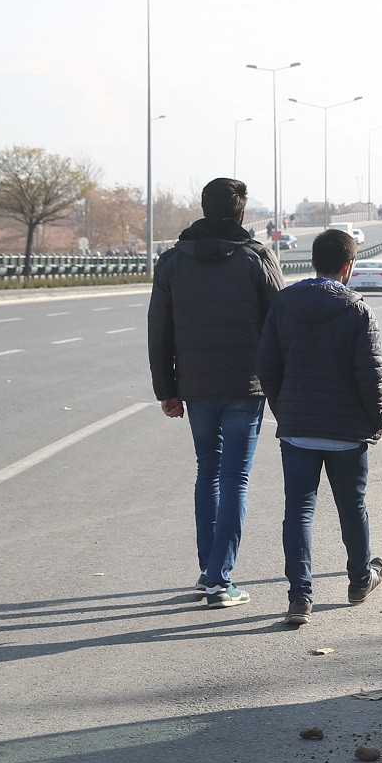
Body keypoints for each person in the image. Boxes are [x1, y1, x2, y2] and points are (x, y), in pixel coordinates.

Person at [147, 177, 285, 609]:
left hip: (196, 387)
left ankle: (210, 571)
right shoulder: (257, 258)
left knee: (208, 471)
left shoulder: (171, 262)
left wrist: (166, 390)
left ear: (204, 209)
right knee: (235, 477)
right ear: (241, 213)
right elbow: (281, 324)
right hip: (246, 385)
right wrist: (284, 388)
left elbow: (158, 331)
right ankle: (219, 582)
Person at [258, 227, 382, 628]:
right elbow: (370, 376)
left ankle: (300, 597)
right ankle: (360, 580)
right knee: (352, 506)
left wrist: (287, 412)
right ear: (348, 266)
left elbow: (267, 367)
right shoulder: (357, 310)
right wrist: (375, 421)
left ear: (313, 261)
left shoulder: (283, 304)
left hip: (297, 430)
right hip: (347, 433)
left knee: (298, 510)